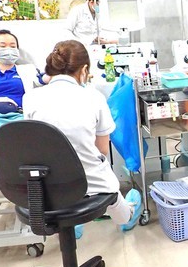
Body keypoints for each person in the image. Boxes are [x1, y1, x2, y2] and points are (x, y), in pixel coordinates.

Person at [22, 40, 141, 236]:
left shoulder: (30, 98)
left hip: (46, 184)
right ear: (84, 69)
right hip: (91, 183)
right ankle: (128, 214)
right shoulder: (94, 97)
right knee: (119, 201)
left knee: (78, 185)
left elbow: (33, 141)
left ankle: (71, 225)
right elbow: (102, 150)